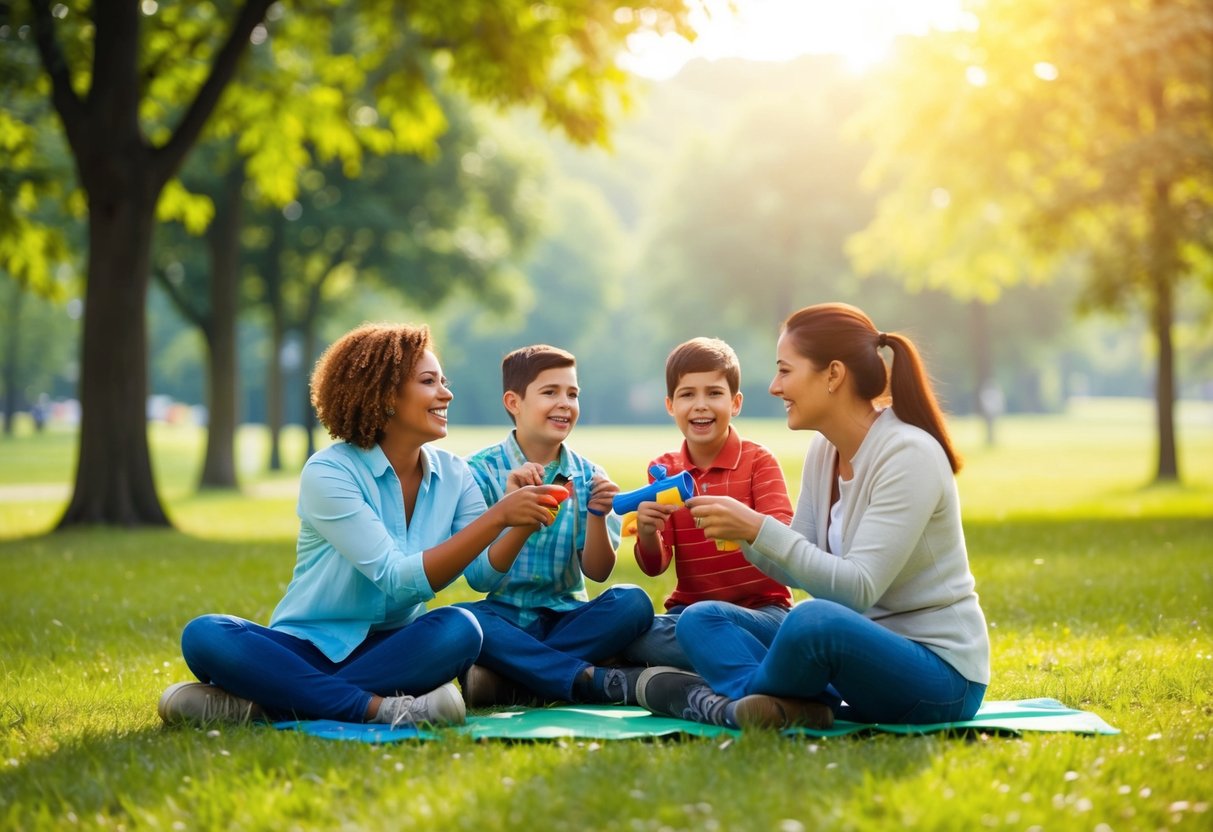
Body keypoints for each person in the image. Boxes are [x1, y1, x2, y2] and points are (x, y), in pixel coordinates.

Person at [158, 323, 564, 728]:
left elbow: (482, 574)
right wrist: (498, 516)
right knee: (206, 634)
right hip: (306, 646)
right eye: (429, 382)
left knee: (461, 628)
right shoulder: (330, 471)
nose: (446, 393)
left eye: (444, 381)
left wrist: (520, 520)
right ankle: (375, 708)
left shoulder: (455, 475)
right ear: (385, 396)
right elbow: (396, 578)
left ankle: (264, 704)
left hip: (394, 649)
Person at [636, 303, 990, 730]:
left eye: (785, 371)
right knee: (701, 617)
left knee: (812, 619)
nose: (774, 386)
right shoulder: (825, 451)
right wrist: (743, 533)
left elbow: (857, 588)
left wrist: (755, 526)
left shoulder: (907, 454)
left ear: (833, 375)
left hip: (939, 679)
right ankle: (771, 704)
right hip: (856, 661)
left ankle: (738, 698)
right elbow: (792, 566)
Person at [458, 344, 654, 707]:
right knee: (463, 620)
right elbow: (480, 581)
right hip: (504, 617)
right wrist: (514, 514)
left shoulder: (590, 476)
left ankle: (515, 679)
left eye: (573, 393)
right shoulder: (477, 473)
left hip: (569, 619)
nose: (565, 403)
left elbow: (597, 573)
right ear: (514, 402)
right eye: (550, 392)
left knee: (633, 602)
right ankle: (585, 677)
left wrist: (596, 516)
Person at [620, 337, 794, 672]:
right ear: (671, 405)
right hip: (686, 615)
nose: (701, 405)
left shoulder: (759, 461)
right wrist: (646, 532)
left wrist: (743, 526)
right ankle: (743, 662)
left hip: (763, 613)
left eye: (714, 393)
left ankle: (722, 661)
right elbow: (656, 566)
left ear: (736, 402)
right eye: (688, 394)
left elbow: (783, 538)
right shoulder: (665, 470)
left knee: (723, 631)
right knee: (632, 632)